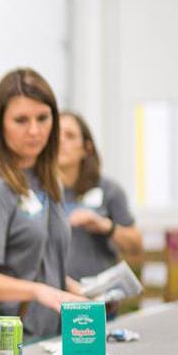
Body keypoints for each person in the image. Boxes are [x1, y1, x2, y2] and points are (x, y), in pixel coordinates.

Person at [0, 68, 86, 340]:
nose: (34, 130)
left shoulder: (48, 180)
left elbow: (35, 264)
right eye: (21, 120)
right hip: (7, 343)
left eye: (43, 118)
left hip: (52, 338)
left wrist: (77, 292)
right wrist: (38, 290)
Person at [58, 112, 142, 282]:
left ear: (86, 148)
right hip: (48, 300)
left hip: (99, 300)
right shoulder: (34, 191)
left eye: (70, 135)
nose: (60, 141)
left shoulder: (109, 190)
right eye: (55, 135)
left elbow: (136, 246)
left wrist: (105, 226)